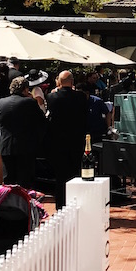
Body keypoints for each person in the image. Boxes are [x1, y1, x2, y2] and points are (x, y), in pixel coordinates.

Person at [0, 76, 47, 190]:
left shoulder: (0, 102)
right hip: (25, 147)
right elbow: (42, 121)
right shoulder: (30, 102)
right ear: (25, 89)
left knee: (8, 182)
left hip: (6, 146)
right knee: (25, 182)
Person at [46, 70, 89, 208]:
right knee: (75, 173)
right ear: (72, 82)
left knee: (60, 175)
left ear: (59, 81)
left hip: (58, 141)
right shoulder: (81, 97)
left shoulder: (52, 97)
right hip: (76, 139)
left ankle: (60, 204)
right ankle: (75, 203)